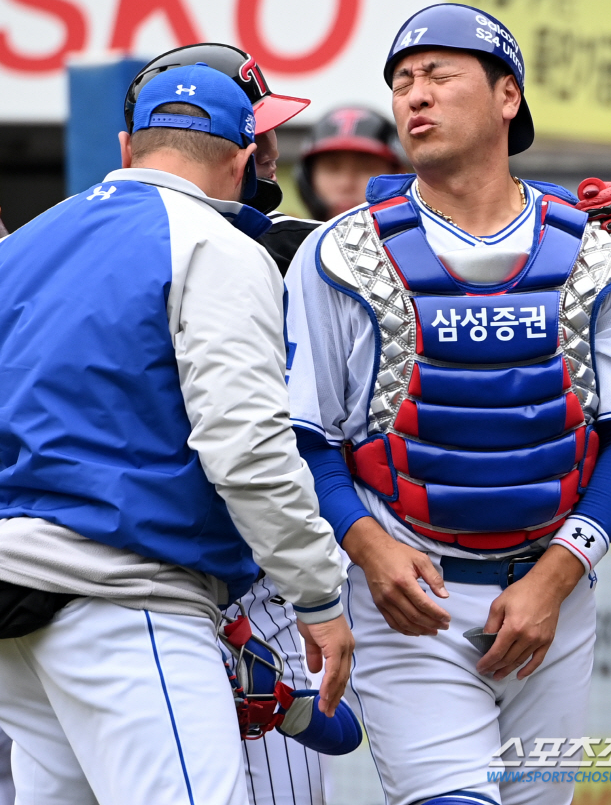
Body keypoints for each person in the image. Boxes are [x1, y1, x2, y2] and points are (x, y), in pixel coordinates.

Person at [284, 3, 611, 805]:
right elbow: (308, 434)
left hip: (554, 601)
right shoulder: (341, 252)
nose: (415, 97)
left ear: (508, 97)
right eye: (402, 82)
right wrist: (365, 543)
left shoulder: (597, 252)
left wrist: (557, 575)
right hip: (411, 599)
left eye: (438, 75)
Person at [0, 61, 353, 805]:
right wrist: (319, 596)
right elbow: (247, 447)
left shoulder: (24, 245)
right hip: (122, 601)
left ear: (128, 147)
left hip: (15, 607)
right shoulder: (214, 243)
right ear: (239, 158)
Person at [124, 43, 358, 805]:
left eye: (268, 133)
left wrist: (577, 240)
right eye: (256, 132)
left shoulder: (304, 245)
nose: (269, 150)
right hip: (161, 580)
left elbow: (433, 246)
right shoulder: (121, 244)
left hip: (270, 579)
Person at [296, 107, 406, 223]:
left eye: (366, 168)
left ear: (396, 176)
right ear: (308, 177)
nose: (346, 184)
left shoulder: (423, 239)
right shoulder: (286, 239)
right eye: (332, 168)